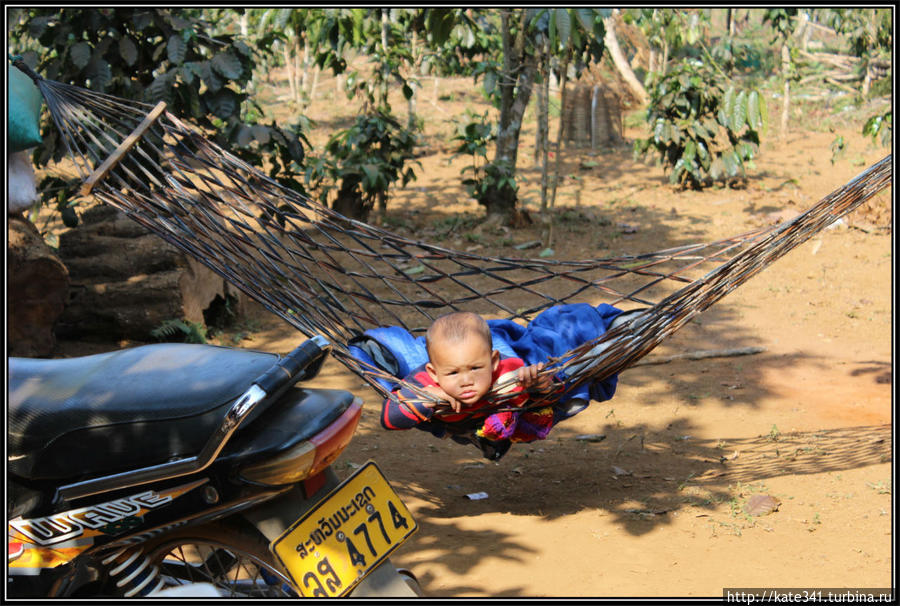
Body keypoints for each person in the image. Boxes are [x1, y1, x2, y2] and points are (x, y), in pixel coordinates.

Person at [381, 311, 563, 459]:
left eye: (475, 368)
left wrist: (542, 385)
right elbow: (390, 419)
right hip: (456, 427)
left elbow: (557, 396)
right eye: (453, 373)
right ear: (433, 373)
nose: (466, 380)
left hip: (500, 420)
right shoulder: (423, 382)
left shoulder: (509, 372)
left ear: (493, 362)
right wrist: (430, 397)